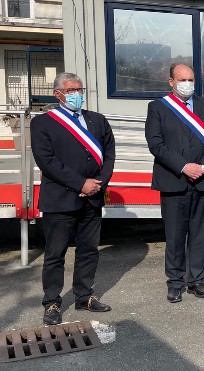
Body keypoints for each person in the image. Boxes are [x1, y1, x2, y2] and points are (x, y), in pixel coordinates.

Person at [31, 72, 116, 325]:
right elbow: (47, 161)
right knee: (55, 254)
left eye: (79, 89)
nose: (77, 94)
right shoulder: (43, 123)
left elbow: (109, 153)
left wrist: (98, 183)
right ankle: (52, 303)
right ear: (57, 94)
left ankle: (84, 296)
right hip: (60, 198)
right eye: (71, 91)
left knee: (89, 250)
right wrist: (81, 183)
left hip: (93, 197)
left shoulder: (98, 120)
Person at [145, 63, 204, 303]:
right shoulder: (158, 107)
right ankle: (175, 282)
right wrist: (184, 166)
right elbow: (155, 144)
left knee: (201, 235)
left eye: (191, 80)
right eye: (182, 80)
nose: (187, 84)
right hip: (174, 181)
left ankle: (197, 281)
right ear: (171, 81)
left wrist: (202, 166)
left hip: (203, 180)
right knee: (175, 236)